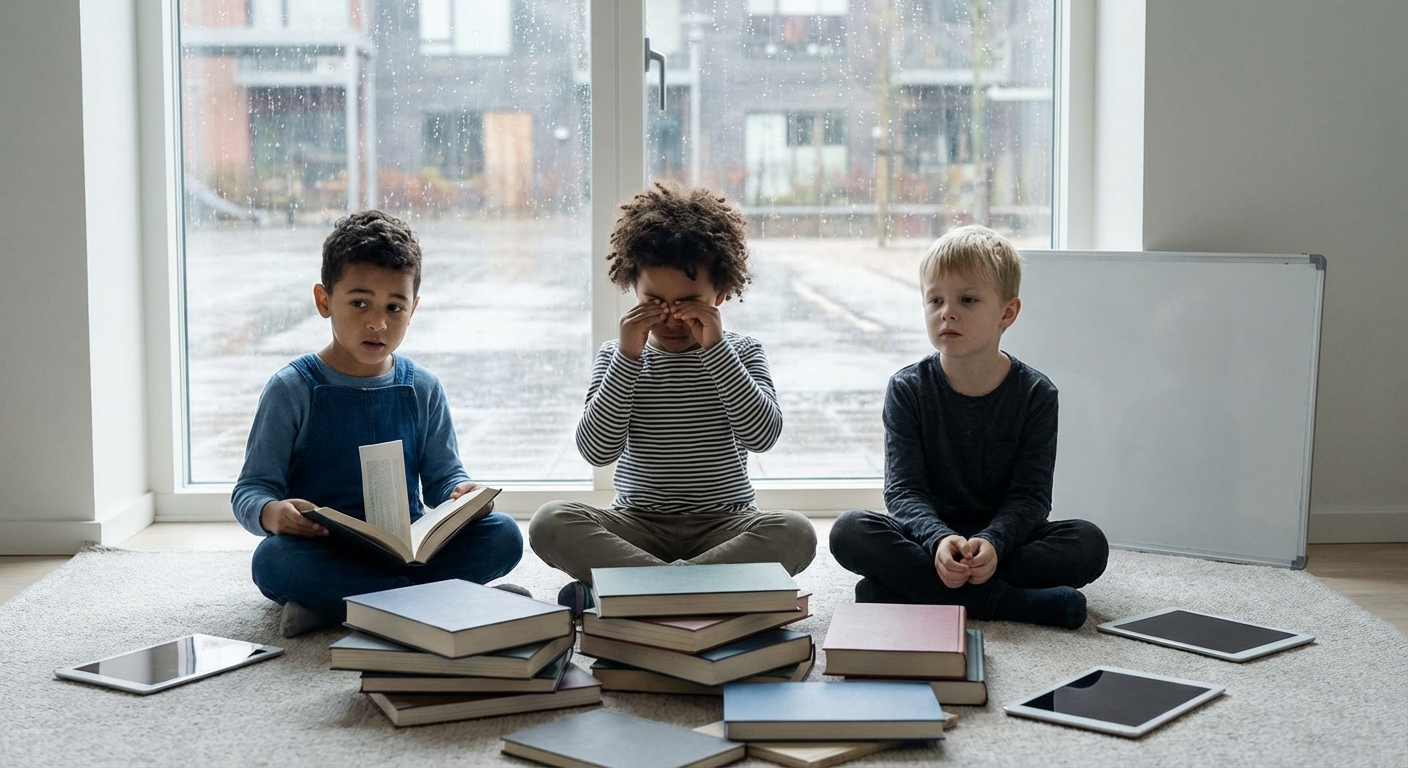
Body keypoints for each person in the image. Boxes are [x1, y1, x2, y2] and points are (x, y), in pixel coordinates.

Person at [529, 182, 816, 617]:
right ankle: (697, 589)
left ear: (719, 295)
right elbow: (597, 450)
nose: (671, 317)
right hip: (637, 524)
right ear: (634, 292)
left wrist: (717, 352)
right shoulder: (616, 356)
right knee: (550, 522)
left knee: (796, 532)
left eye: (688, 303)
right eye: (654, 302)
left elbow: (763, 437)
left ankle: (639, 590)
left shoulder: (743, 351)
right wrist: (627, 357)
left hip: (726, 522)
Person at [232, 211, 524, 637]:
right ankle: (435, 603)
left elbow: (445, 478)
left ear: (414, 308)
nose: (378, 323)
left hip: (407, 550)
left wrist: (462, 497)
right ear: (324, 301)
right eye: (359, 303)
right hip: (325, 551)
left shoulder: (422, 387)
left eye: (395, 307)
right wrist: (272, 514)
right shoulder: (291, 389)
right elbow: (251, 489)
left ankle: (350, 608)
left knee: (503, 535)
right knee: (272, 561)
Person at [829, 225, 1108, 629]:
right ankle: (1012, 604)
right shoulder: (908, 388)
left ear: (1007, 313)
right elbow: (904, 491)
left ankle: (900, 594)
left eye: (968, 300)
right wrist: (940, 540)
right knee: (849, 531)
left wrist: (993, 542)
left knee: (1089, 544)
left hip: (1003, 544)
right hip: (927, 541)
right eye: (935, 300)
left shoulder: (1036, 394)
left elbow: (1030, 498)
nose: (948, 312)